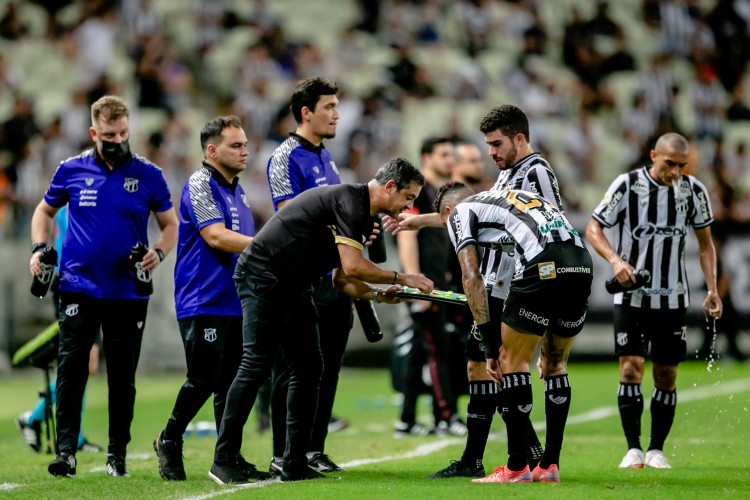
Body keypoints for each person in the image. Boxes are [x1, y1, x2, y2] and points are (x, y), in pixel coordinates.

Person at [208, 157, 433, 485]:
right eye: (408, 198)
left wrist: (376, 294)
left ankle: (293, 461)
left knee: (310, 365)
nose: (408, 207)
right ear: (389, 187)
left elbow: (342, 279)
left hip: (293, 284)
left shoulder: (359, 212)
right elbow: (354, 267)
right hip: (263, 275)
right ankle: (223, 459)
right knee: (256, 364)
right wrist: (404, 276)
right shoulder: (351, 201)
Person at [387, 105, 554, 478]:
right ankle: (479, 459)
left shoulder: (536, 171)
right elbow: (474, 212)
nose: (490, 153)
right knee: (479, 366)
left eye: (495, 144)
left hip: (517, 287)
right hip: (494, 287)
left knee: (503, 366)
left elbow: (550, 225)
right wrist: (418, 221)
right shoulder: (507, 175)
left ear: (520, 139)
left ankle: (530, 459)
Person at [29, 95, 178, 478]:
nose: (119, 139)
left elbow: (170, 225)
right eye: (110, 133)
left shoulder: (149, 174)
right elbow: (44, 210)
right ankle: (66, 453)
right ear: (94, 132)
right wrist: (39, 248)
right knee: (72, 370)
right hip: (77, 287)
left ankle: (117, 456)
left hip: (128, 292)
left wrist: (158, 255)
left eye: (124, 132)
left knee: (122, 379)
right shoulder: (71, 170)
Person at [436, 182, 593, 484]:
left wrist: (487, 340)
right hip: (581, 262)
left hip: (543, 264)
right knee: (554, 363)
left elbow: (472, 277)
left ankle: (517, 467)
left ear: (447, 212)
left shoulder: (459, 213)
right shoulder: (508, 201)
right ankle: (549, 466)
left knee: (510, 361)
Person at [585, 132, 723, 469]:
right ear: (652, 156)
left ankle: (657, 448)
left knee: (666, 374)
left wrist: (712, 288)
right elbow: (593, 228)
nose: (675, 171)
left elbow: (706, 245)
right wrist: (616, 261)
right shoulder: (627, 185)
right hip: (631, 297)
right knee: (631, 368)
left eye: (681, 165)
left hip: (673, 298)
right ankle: (633, 448)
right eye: (669, 164)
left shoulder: (694, 191)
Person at [152, 116, 269, 481]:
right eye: (236, 145)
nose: (245, 151)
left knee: (232, 382)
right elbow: (216, 237)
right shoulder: (200, 183)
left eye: (245, 144)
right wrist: (270, 246)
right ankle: (169, 438)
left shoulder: (239, 189)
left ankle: (228, 455)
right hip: (203, 298)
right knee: (203, 378)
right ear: (211, 150)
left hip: (235, 299)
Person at [264, 77, 353, 475]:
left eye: (336, 106)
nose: (336, 114)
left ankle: (313, 448)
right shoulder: (285, 157)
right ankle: (284, 450)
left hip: (332, 275)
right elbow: (291, 221)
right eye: (329, 107)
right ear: (306, 112)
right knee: (294, 368)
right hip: (300, 279)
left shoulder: (327, 158)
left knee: (327, 367)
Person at [394, 136, 468, 438]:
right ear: (426, 158)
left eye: (452, 154)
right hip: (425, 286)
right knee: (439, 349)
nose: (450, 159)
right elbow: (406, 235)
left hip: (438, 283)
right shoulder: (419, 194)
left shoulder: (442, 195)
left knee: (419, 351)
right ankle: (447, 416)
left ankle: (407, 419)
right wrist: (413, 282)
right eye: (443, 154)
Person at [18, 206, 102, 455]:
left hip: (88, 284)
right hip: (70, 282)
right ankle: (35, 417)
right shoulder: (74, 199)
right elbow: (70, 241)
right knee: (81, 361)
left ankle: (69, 432)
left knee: (87, 364)